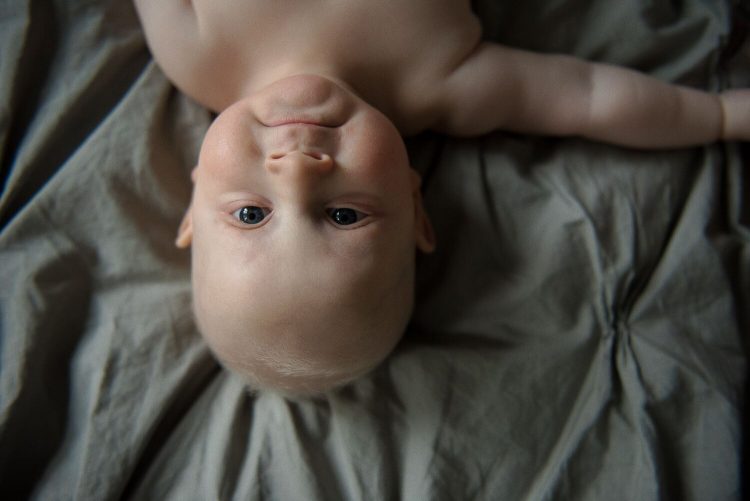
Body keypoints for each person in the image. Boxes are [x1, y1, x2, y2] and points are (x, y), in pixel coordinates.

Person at [134, 0, 749, 395]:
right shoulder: (445, 82)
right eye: (342, 215)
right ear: (413, 205)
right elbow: (589, 97)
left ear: (194, 204)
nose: (296, 170)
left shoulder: (194, 49)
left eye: (250, 213)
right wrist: (718, 116)